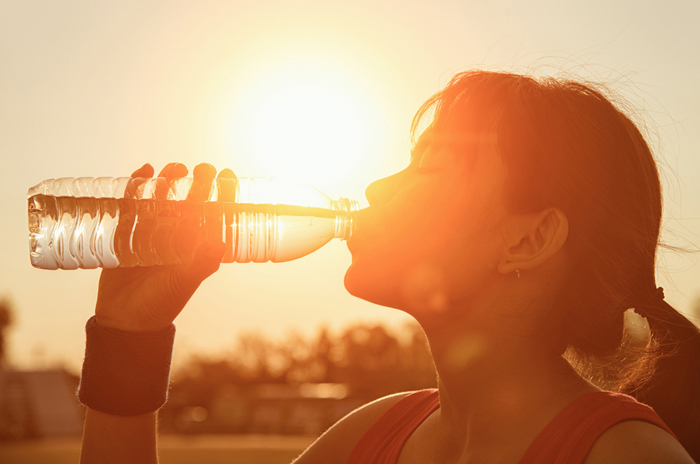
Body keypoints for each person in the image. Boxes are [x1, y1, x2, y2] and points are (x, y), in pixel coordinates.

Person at [78, 70, 699, 463]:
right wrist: (131, 335)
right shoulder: (371, 437)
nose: (376, 187)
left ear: (529, 239)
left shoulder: (628, 457)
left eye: (427, 167)